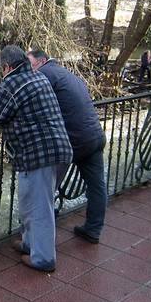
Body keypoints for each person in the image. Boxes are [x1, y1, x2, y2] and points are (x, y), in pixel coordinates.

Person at [0, 45, 72, 272]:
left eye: (0, 68)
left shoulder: (12, 83)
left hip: (38, 155)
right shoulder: (38, 77)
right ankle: (30, 244)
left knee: (39, 207)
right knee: (33, 202)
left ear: (6, 66)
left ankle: (43, 259)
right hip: (60, 149)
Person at [27, 48, 107, 244]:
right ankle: (93, 230)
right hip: (94, 135)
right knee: (97, 186)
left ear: (41, 61)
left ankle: (37, 240)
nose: (28, 70)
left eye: (29, 64)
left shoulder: (44, 75)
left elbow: (32, 103)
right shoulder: (64, 73)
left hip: (73, 141)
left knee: (45, 187)